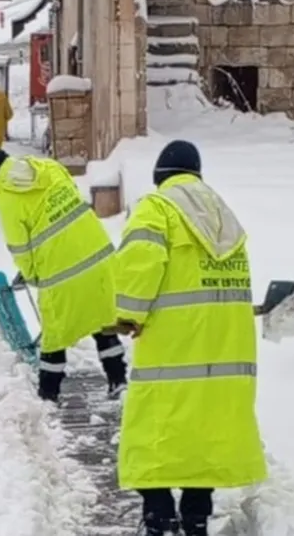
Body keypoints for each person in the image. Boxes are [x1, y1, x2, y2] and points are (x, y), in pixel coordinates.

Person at [110, 140, 267, 536]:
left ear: (159, 177)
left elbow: (138, 265)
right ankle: (196, 516)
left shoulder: (157, 209)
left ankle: (159, 517)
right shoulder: (223, 216)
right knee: (204, 436)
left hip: (172, 350)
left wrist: (127, 316)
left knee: (152, 435)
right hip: (225, 350)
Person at [0, 148, 128, 401]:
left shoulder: (7, 195)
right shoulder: (46, 168)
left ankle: (48, 394)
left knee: (54, 335)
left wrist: (32, 274)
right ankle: (118, 381)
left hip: (61, 270)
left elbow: (20, 246)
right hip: (98, 255)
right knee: (104, 322)